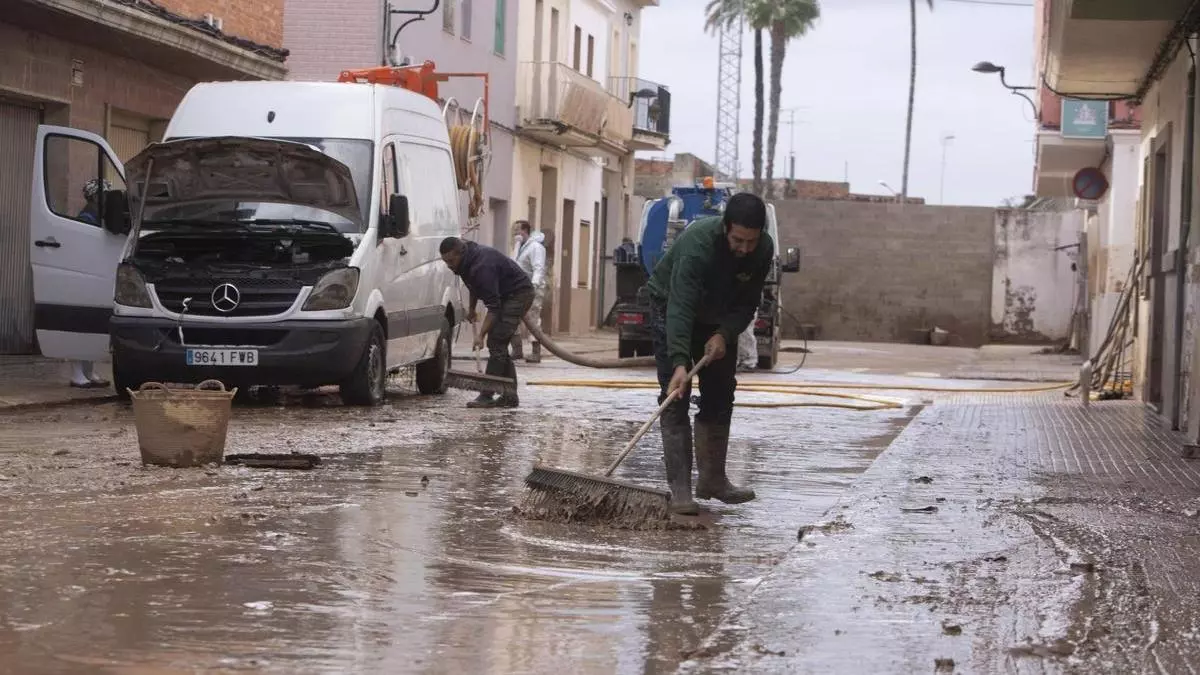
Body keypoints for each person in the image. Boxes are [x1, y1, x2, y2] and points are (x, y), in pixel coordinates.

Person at [644, 191, 774, 515]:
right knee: (676, 393)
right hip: (670, 304)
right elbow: (680, 306)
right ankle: (681, 489)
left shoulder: (763, 250)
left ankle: (713, 480)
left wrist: (724, 334)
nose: (744, 248)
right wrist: (679, 362)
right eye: (738, 240)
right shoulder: (698, 245)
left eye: (751, 241)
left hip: (717, 316)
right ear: (725, 227)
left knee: (721, 391)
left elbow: (747, 302)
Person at [440, 237, 535, 408]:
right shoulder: (465, 264)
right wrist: (471, 309)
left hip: (518, 295)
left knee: (496, 341)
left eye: (451, 261)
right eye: (446, 262)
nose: (449, 265)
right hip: (506, 296)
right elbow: (473, 286)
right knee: (499, 346)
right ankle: (509, 396)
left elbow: (494, 307)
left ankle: (487, 394)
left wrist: (481, 335)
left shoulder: (482, 266)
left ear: (460, 253)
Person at [69, 178, 112, 389]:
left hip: (95, 276)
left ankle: (89, 371)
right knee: (80, 324)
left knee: (92, 324)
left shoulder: (98, 218)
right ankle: (77, 373)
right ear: (95, 197)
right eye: (104, 195)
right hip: (83, 277)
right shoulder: (86, 219)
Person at [509, 220, 547, 363]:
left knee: (532, 319)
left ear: (525, 231)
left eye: (517, 230)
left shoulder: (536, 247)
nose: (515, 233)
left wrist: (534, 285)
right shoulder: (519, 247)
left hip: (532, 288)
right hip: (518, 288)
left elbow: (538, 268)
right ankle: (517, 349)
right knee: (512, 316)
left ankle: (536, 352)